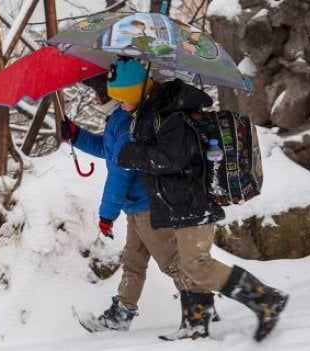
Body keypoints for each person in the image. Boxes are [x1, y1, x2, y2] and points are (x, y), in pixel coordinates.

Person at [116, 77, 289, 341]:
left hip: (192, 200)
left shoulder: (169, 116)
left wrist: (134, 153)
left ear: (135, 92)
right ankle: (195, 324)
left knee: (196, 264)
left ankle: (266, 298)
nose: (119, 103)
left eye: (122, 96)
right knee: (191, 265)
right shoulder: (156, 114)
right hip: (181, 202)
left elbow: (173, 158)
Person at [61, 57, 219, 338]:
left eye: (98, 94)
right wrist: (77, 136)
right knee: (133, 261)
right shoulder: (117, 120)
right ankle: (121, 314)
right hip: (135, 207)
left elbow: (119, 174)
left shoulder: (126, 123)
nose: (95, 99)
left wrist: (106, 215)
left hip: (147, 205)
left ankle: (200, 307)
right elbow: (108, 151)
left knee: (170, 261)